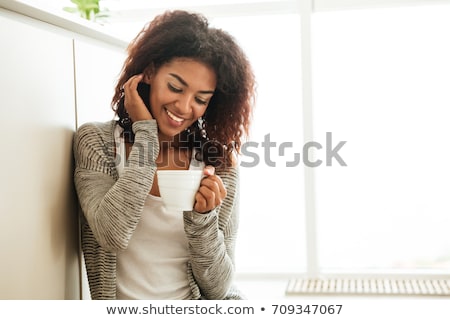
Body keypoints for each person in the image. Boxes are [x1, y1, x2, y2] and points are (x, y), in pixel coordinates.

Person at [73, 10, 256, 300]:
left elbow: (219, 288)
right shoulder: (97, 142)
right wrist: (146, 133)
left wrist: (203, 218)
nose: (184, 107)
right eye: (175, 87)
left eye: (200, 99)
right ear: (149, 72)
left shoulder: (218, 166)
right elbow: (111, 234)